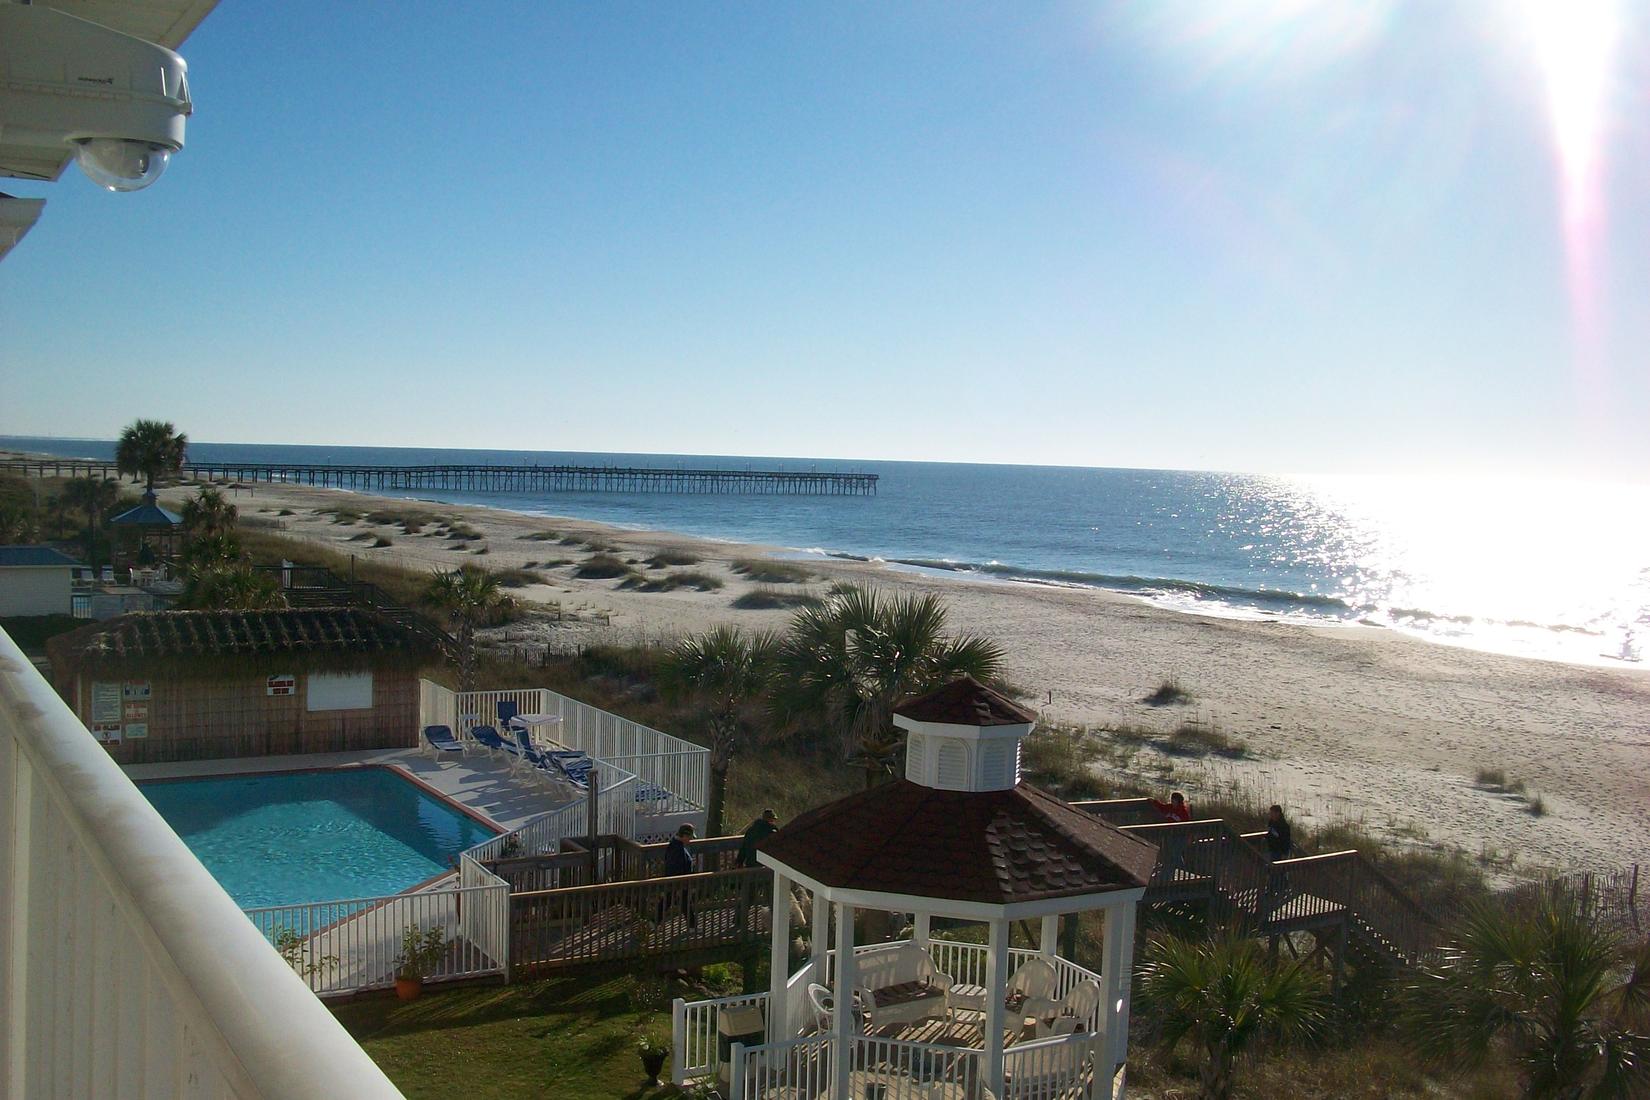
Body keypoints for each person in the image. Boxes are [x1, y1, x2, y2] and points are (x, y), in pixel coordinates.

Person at [659, 823, 697, 927]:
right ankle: (692, 926)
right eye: (689, 837)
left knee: (669, 900)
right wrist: (681, 883)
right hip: (679, 881)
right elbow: (676, 866)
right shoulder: (677, 849)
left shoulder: (675, 845)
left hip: (677, 881)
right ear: (684, 836)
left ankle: (653, 922)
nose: (690, 840)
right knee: (682, 902)